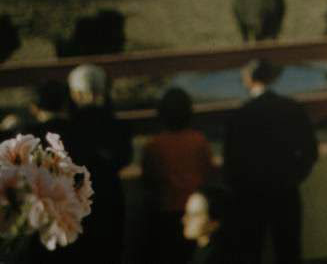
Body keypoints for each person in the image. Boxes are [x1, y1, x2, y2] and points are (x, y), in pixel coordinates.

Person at [223, 58, 318, 264]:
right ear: (273, 78)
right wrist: (295, 177)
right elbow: (310, 151)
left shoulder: (241, 115)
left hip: (250, 193)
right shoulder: (292, 109)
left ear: (248, 79)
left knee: (251, 250)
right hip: (285, 189)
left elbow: (231, 160)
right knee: (289, 249)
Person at [60, 63, 132, 264]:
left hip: (79, 198)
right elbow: (124, 158)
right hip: (111, 195)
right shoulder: (117, 126)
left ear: (75, 94)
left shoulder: (70, 129)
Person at [141, 87, 215, 264]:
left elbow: (150, 179)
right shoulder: (199, 140)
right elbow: (207, 173)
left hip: (165, 211)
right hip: (195, 211)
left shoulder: (154, 145)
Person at [183, 185, 237, 264]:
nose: (185, 220)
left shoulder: (217, 258)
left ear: (215, 223)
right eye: (187, 213)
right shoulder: (200, 251)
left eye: (195, 215)